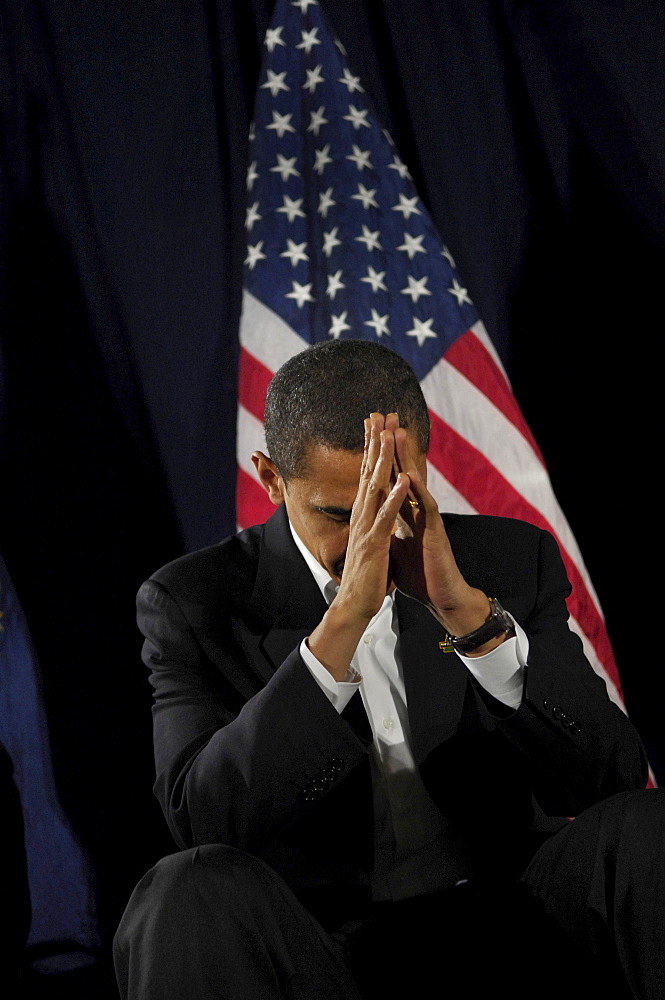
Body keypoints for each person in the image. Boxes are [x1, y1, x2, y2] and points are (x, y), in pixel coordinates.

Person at [115, 339, 662, 999]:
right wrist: (340, 626)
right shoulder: (195, 601)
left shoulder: (508, 561)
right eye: (338, 515)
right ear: (269, 479)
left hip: (507, 920)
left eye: (393, 501)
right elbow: (203, 824)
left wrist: (466, 615)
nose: (368, 536)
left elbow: (611, 778)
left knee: (645, 827)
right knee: (184, 891)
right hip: (324, 946)